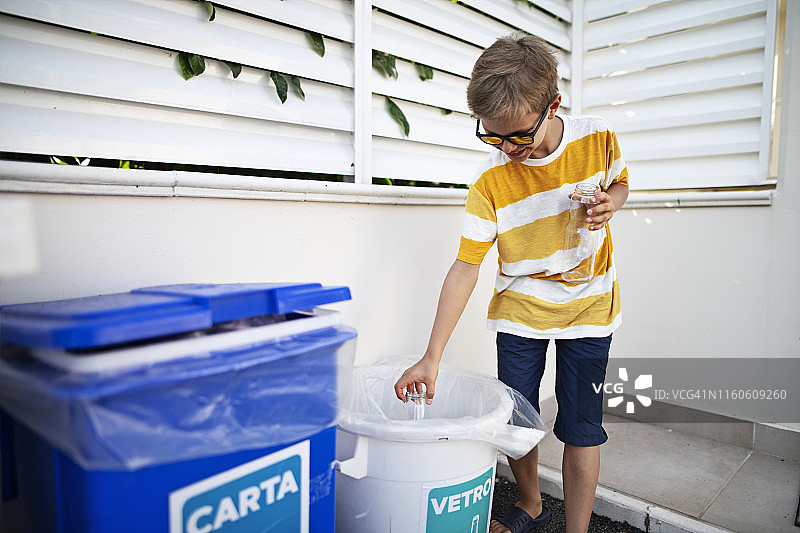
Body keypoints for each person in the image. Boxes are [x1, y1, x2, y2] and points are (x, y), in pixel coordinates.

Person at [393, 32, 629, 533]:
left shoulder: (597, 137)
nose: (507, 149)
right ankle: (531, 503)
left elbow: (620, 182)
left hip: (590, 304)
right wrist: (432, 355)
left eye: (518, 136)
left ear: (553, 106)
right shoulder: (489, 182)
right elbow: (465, 266)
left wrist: (616, 202)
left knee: (582, 426)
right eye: (492, 136)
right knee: (516, 416)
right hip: (521, 306)